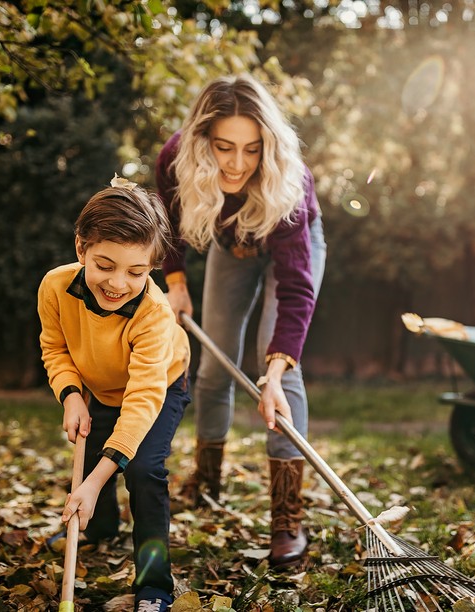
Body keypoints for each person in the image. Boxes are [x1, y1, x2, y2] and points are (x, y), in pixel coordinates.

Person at [155, 73, 326, 569]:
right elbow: (168, 226)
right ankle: (206, 483)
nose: (236, 164)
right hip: (233, 245)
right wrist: (177, 284)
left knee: (282, 375)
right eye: (224, 147)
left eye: (252, 150)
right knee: (212, 366)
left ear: (267, 146)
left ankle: (286, 520)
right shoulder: (175, 158)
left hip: (291, 244)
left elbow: (295, 289)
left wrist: (272, 374)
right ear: (203, 139)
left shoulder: (290, 181)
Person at [38, 176, 191, 612]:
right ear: (81, 248)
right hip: (97, 385)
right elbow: (56, 347)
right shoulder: (54, 287)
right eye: (105, 265)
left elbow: (143, 400)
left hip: (159, 385)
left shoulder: (154, 314)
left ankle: (154, 584)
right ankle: (99, 528)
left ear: (151, 268)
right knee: (91, 457)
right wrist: (70, 394)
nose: (118, 283)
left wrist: (96, 479)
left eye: (136, 272)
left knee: (141, 469)